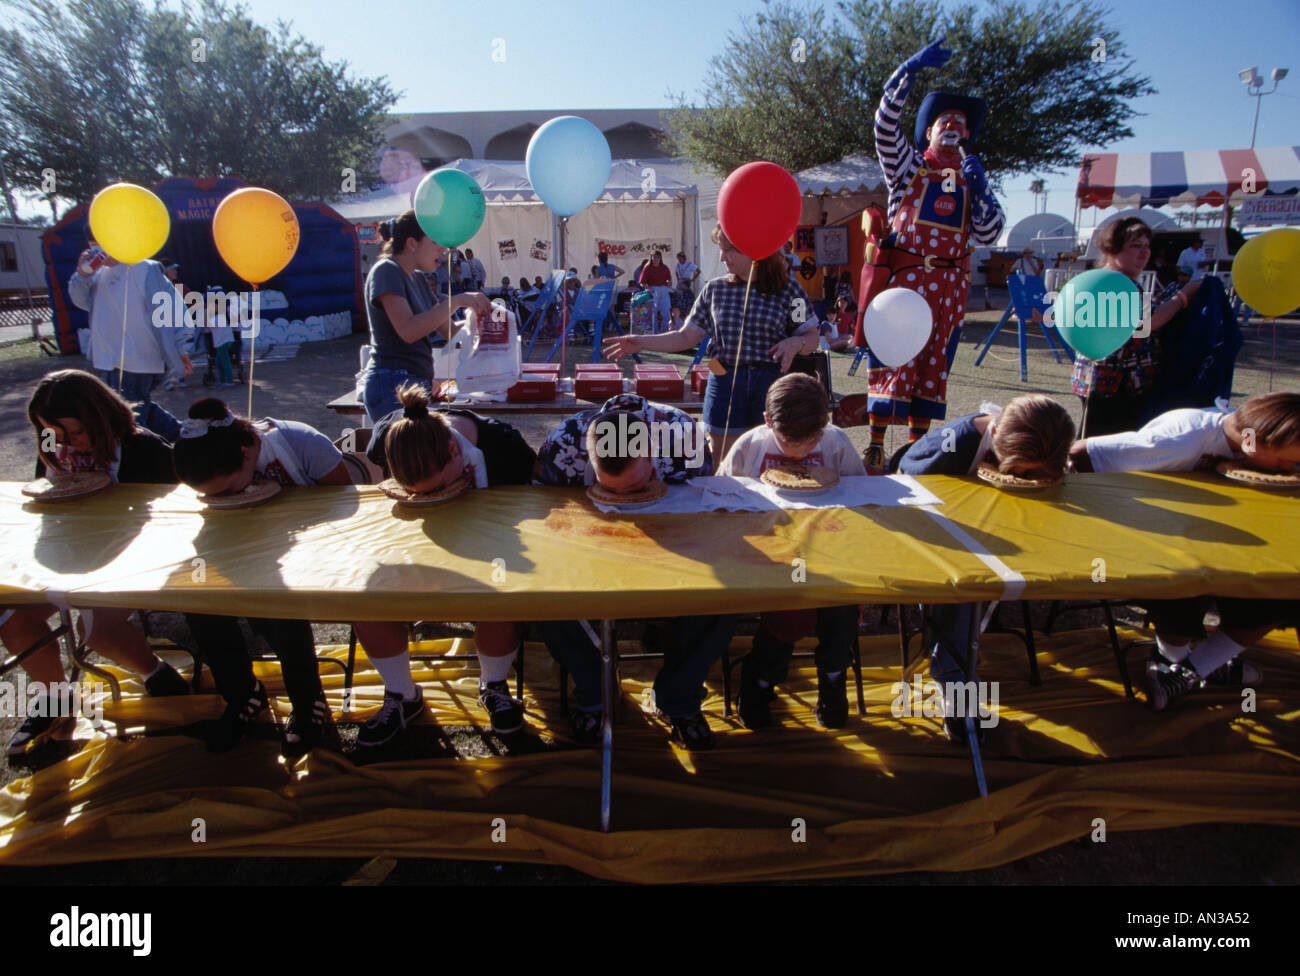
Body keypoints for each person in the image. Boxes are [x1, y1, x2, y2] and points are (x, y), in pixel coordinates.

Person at [1070, 392, 1300, 710]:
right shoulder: (1180, 439)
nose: (1290, 467)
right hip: (1151, 543)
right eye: (1286, 460)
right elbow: (1082, 453)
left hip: (1215, 539)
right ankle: (1173, 659)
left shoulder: (1244, 437)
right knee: (1185, 579)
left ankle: (1190, 670)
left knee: (1283, 588)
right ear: (1256, 443)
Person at [532, 394, 734, 749]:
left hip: (673, 541)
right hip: (588, 542)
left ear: (652, 452)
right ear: (588, 458)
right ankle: (595, 690)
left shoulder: (682, 436)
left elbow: (705, 502)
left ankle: (679, 698)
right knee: (543, 595)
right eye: (612, 488)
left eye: (637, 484)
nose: (625, 496)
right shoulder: (564, 443)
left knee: (726, 592)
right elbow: (541, 514)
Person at [8, 370, 192, 755]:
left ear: (99, 416)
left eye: (73, 432)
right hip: (68, 558)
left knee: (94, 629)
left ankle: (157, 675)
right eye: (52, 433)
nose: (63, 442)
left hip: (135, 558)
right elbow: (45, 497)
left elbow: (181, 519)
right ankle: (55, 701)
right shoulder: (53, 445)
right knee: (10, 615)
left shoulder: (145, 449)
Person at [353, 385, 537, 745]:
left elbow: (533, 508)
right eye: (415, 489)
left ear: (455, 452)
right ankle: (402, 695)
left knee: (501, 593)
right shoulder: (386, 438)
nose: (427, 496)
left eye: (435, 486)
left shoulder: (504, 446)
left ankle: (494, 685)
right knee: (368, 596)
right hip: (411, 539)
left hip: (491, 543)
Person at [857, 37, 1006, 473]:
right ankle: (876, 444)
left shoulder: (972, 181)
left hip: (947, 294)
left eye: (961, 121)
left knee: (931, 369)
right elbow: (884, 128)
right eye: (945, 120)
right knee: (893, 363)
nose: (954, 126)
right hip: (904, 288)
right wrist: (907, 73)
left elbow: (990, 233)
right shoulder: (907, 170)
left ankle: (917, 451)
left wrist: (981, 192)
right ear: (928, 131)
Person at [171, 397, 347, 754]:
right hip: (234, 548)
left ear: (248, 451)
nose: (220, 497)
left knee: (275, 607)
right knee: (200, 603)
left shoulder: (304, 444)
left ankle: (307, 700)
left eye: (226, 489)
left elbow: (348, 506)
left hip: (309, 552)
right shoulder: (210, 458)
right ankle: (242, 695)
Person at [898, 394, 1075, 740]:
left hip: (992, 537)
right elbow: (906, 479)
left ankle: (961, 667)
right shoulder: (955, 443)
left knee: (979, 597)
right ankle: (957, 685)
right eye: (1023, 470)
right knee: (964, 602)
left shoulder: (1027, 444)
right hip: (936, 540)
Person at [716, 373, 865, 729]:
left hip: (829, 551)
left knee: (842, 605)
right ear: (768, 422)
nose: (798, 452)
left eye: (809, 441)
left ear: (825, 422)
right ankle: (760, 678)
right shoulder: (750, 446)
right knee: (792, 608)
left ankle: (832, 678)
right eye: (787, 443)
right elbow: (719, 500)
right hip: (768, 556)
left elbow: (865, 498)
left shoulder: (836, 444)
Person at [603, 223, 820, 464]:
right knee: (721, 461)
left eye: (729, 250)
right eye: (721, 249)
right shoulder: (715, 290)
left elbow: (812, 337)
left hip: (770, 383)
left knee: (766, 461)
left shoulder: (789, 290)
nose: (721, 257)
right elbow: (686, 337)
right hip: (723, 377)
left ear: (754, 251)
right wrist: (639, 341)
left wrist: (796, 342)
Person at [1069, 217, 1201, 437]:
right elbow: (1148, 322)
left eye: (1147, 246)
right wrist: (1184, 297)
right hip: (1114, 386)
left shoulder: (1109, 279)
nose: (1144, 253)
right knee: (1102, 450)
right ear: (1112, 249)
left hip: (1108, 384)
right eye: (1135, 246)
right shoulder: (1115, 282)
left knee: (1098, 445)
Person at [360, 210, 493, 424]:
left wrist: (482, 323)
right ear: (412, 243)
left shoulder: (419, 279)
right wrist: (458, 301)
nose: (442, 250)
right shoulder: (386, 270)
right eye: (435, 242)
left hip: (414, 384)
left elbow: (448, 331)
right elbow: (409, 331)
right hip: (392, 383)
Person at [68, 234, 192, 442]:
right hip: (106, 359)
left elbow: (171, 311)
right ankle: (182, 437)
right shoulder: (97, 274)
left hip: (138, 359)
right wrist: (82, 274)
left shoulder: (145, 269)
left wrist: (180, 348)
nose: (98, 252)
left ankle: (143, 460)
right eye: (93, 248)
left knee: (126, 419)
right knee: (135, 407)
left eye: (101, 245)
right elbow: (80, 301)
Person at [640, 251, 673, 332]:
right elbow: (642, 282)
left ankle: (664, 331)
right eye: (654, 257)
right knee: (653, 313)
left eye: (658, 257)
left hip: (664, 290)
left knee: (666, 312)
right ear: (651, 258)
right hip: (652, 290)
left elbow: (669, 279)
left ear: (660, 258)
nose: (656, 259)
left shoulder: (664, 267)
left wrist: (669, 282)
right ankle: (654, 331)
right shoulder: (647, 268)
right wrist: (648, 288)